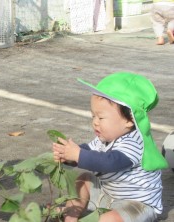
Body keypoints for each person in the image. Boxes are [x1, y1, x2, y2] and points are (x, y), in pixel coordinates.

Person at [52, 72, 168, 222]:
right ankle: (70, 215)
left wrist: (78, 155)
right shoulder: (105, 137)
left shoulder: (134, 142)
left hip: (136, 206)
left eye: (101, 117)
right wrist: (68, 156)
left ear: (130, 119)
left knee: (110, 219)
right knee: (83, 180)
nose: (95, 122)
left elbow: (109, 162)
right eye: (93, 116)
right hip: (110, 196)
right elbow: (89, 150)